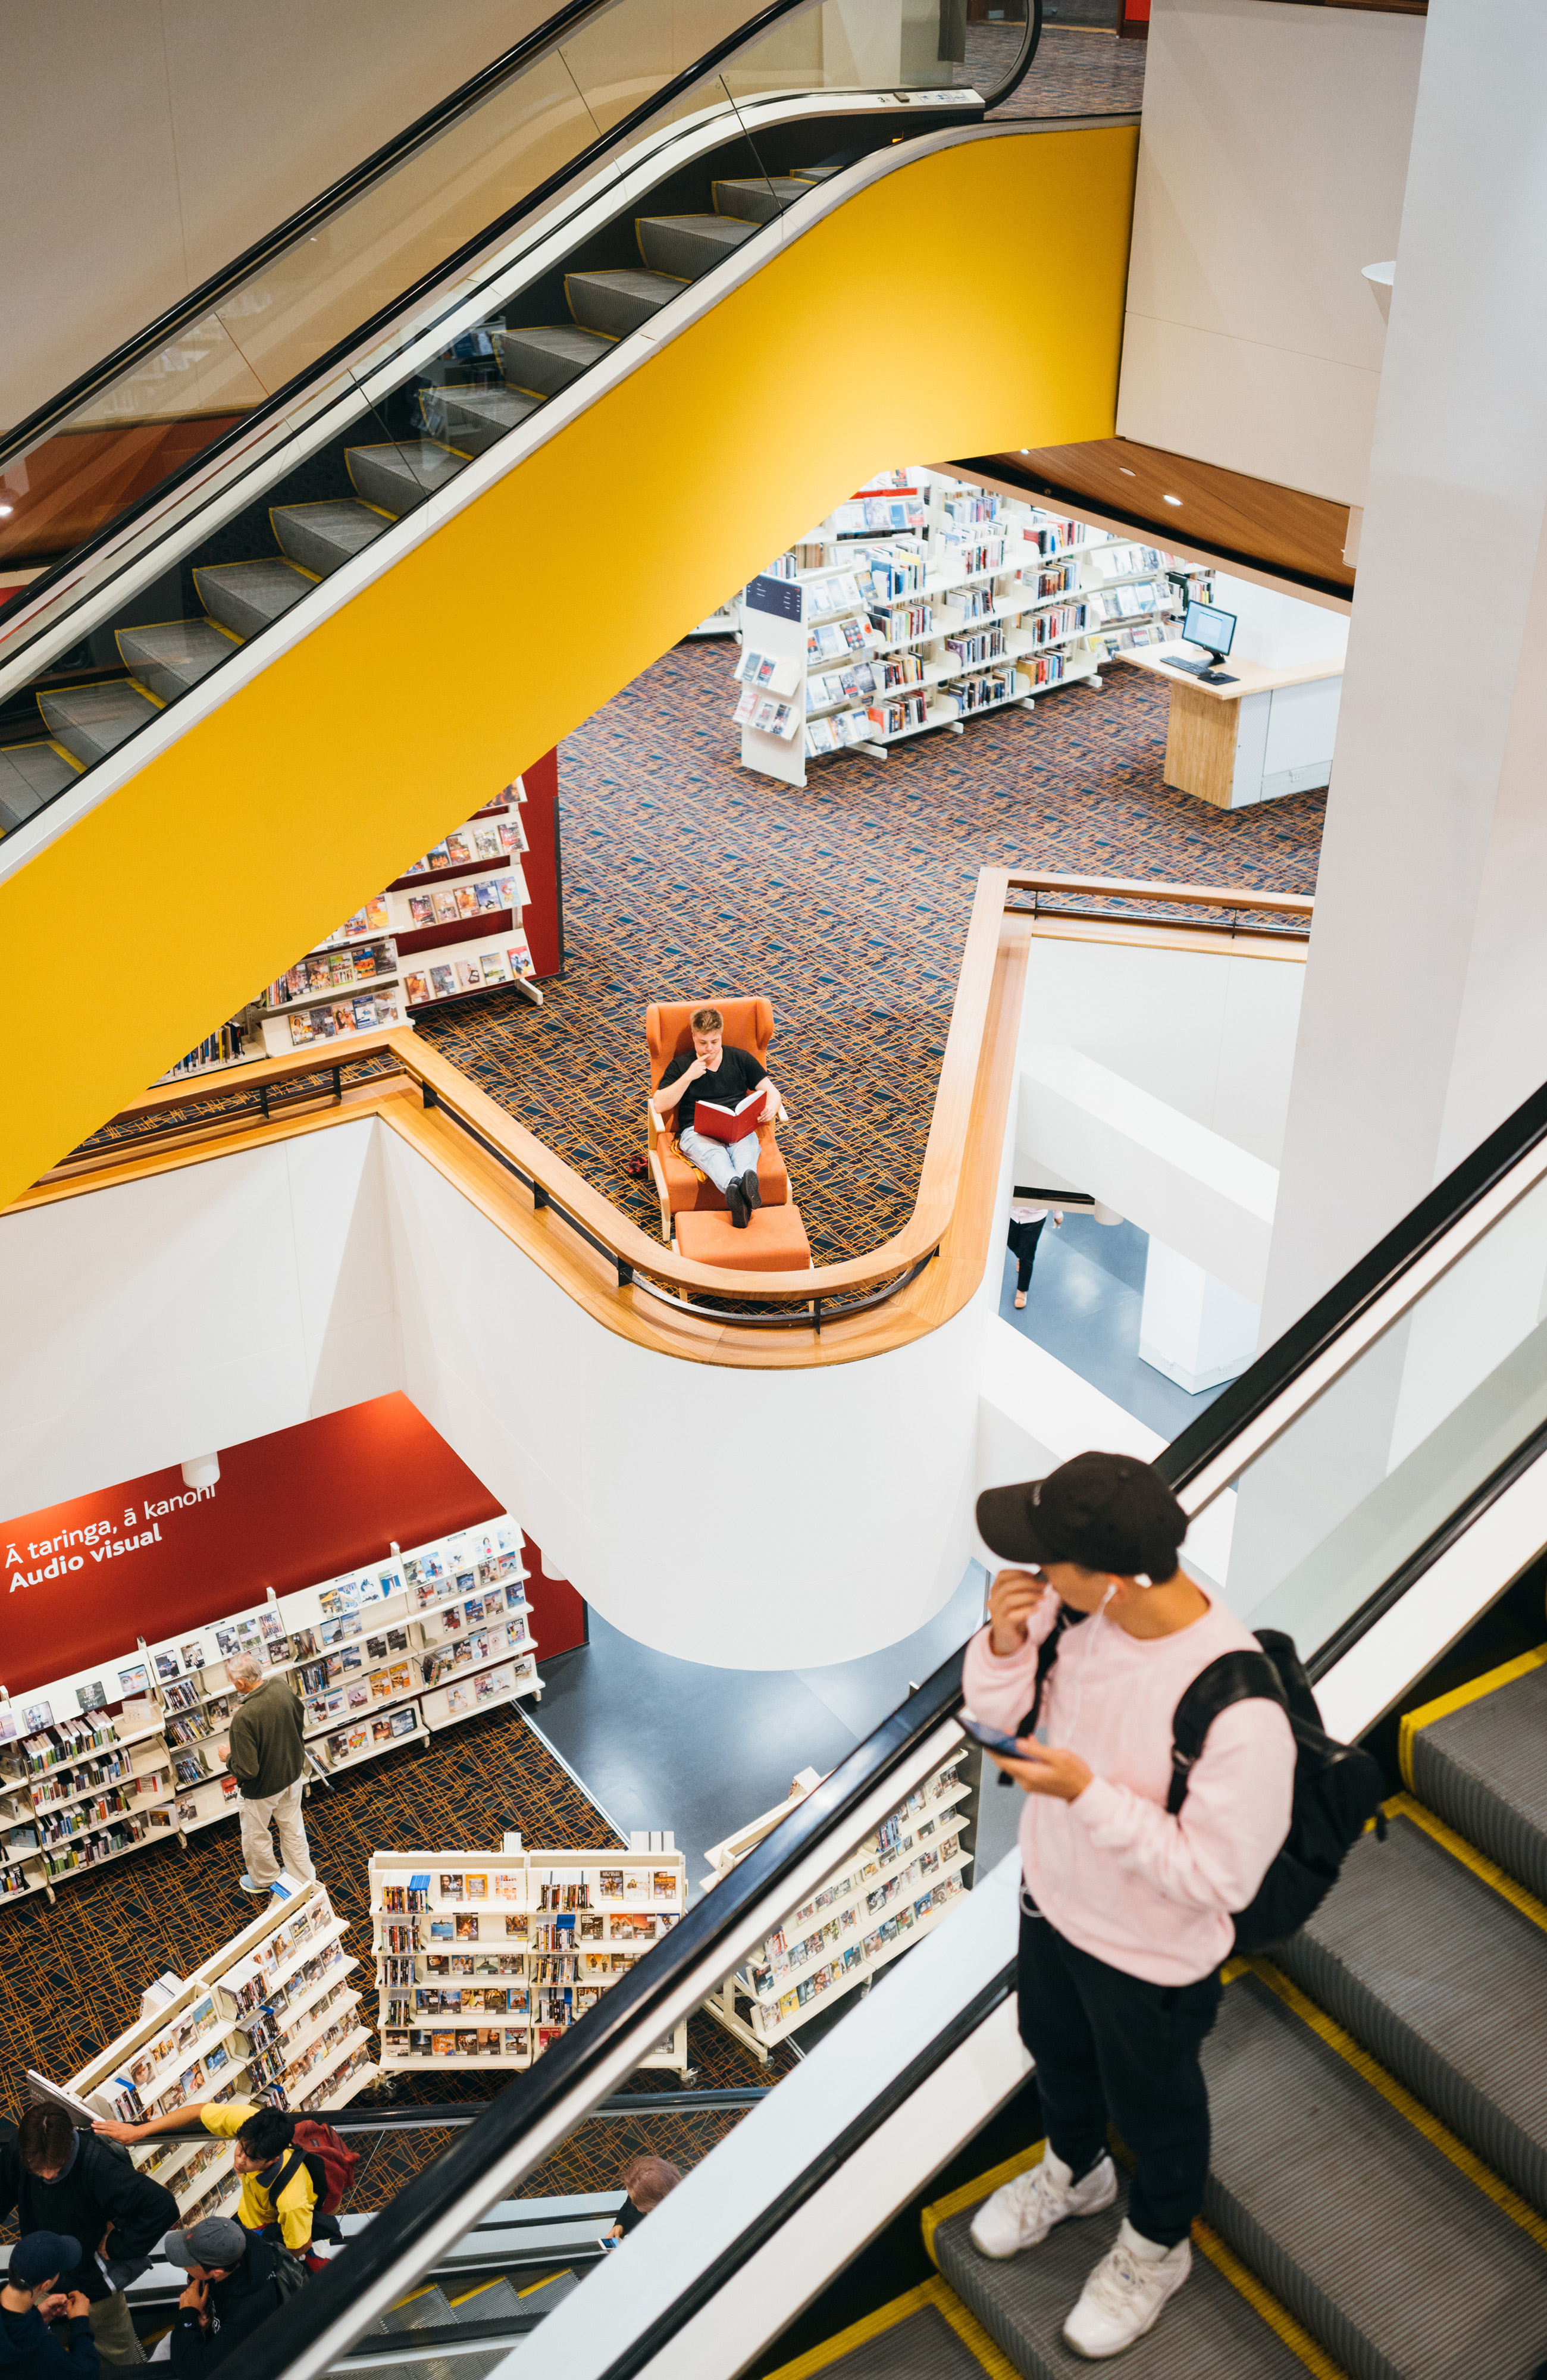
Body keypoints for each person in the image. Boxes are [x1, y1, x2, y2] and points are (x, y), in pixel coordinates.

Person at [963, 1451, 1295, 2360]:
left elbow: (1219, 1880)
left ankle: (1157, 2246)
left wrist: (1085, 1796)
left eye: (1045, 1561)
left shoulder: (1236, 1709)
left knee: (1158, 2112)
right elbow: (1006, 1715)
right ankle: (1074, 2174)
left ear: (1105, 1577)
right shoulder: (1083, 1621)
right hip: (1054, 1903)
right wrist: (1002, 1647)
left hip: (1149, 1955)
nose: (1029, 1574)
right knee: (1054, 2053)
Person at [0, 2109, 177, 2368]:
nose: (49, 2176)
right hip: (41, 2275)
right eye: (39, 2171)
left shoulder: (98, 2166)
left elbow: (162, 2206)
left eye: (56, 2168)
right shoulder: (24, 2150)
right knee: (34, 2339)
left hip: (93, 2285)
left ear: (69, 2145)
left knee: (119, 2352)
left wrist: (117, 2246)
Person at [91, 2109, 314, 2266]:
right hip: (247, 2219)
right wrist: (140, 2131)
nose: (240, 2161)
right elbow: (199, 2112)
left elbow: (299, 2247)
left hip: (264, 2234)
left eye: (252, 2159)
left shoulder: (292, 2200)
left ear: (272, 2161)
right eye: (241, 2148)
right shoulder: (252, 2127)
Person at [654, 1008, 781, 1230]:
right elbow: (660, 1104)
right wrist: (689, 1076)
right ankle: (741, 1190)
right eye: (703, 1043)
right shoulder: (682, 1065)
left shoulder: (739, 1058)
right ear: (694, 1037)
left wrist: (772, 1107)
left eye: (715, 1041)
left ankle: (739, 1193)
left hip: (738, 1127)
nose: (709, 1048)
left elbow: (772, 1091)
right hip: (697, 1131)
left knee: (746, 1152)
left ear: (721, 1034)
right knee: (714, 1157)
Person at [213, 1654, 314, 1893]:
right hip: (291, 1776)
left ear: (240, 1684)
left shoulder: (244, 1718)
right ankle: (303, 1879)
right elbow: (298, 1720)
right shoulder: (281, 1686)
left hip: (261, 1791)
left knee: (256, 1836)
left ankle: (264, 1879)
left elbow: (248, 1770)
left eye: (231, 1681)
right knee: (293, 1830)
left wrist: (228, 1757)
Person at [157, 2218, 292, 2373]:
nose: (185, 2269)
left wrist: (188, 2316)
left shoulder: (251, 2308)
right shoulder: (231, 2246)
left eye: (187, 2265)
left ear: (217, 2272)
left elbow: (195, 2373)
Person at [0, 2232, 99, 2378]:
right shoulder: (44, 2351)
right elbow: (88, 2374)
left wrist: (37, 2316)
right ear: (46, 2285)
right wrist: (80, 2323)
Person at [607, 2156, 682, 2242]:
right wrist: (620, 2225)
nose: (633, 2203)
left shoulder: (674, 2230)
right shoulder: (639, 2192)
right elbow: (626, 2208)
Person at [1006, 1197, 1063, 1310]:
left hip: (1035, 1218)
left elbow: (1054, 1190)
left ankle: (1022, 1291)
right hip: (1012, 1212)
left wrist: (1058, 1213)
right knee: (1010, 1242)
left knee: (1027, 1257)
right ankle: (1020, 1256)